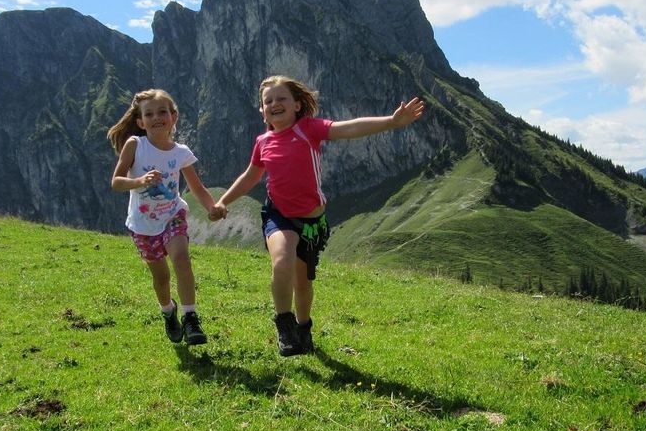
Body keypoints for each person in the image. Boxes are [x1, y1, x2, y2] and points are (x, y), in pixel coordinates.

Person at [214, 75, 424, 356]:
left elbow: (349, 128)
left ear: (297, 105)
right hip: (278, 215)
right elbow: (251, 176)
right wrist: (223, 201)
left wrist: (391, 122)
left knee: (303, 283)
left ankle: (303, 329)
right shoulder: (262, 142)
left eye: (281, 98)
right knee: (281, 260)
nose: (275, 104)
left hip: (311, 222)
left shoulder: (308, 129)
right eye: (268, 101)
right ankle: (284, 324)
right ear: (262, 111)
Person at [108, 88, 226, 345]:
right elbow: (116, 182)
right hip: (142, 225)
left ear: (174, 117)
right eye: (149, 114)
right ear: (141, 122)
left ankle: (191, 317)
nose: (156, 117)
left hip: (173, 215)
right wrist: (140, 181)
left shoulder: (180, 152)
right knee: (161, 279)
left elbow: (196, 187)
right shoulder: (135, 145)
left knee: (182, 259)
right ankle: (168, 311)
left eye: (162, 112)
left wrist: (212, 207)